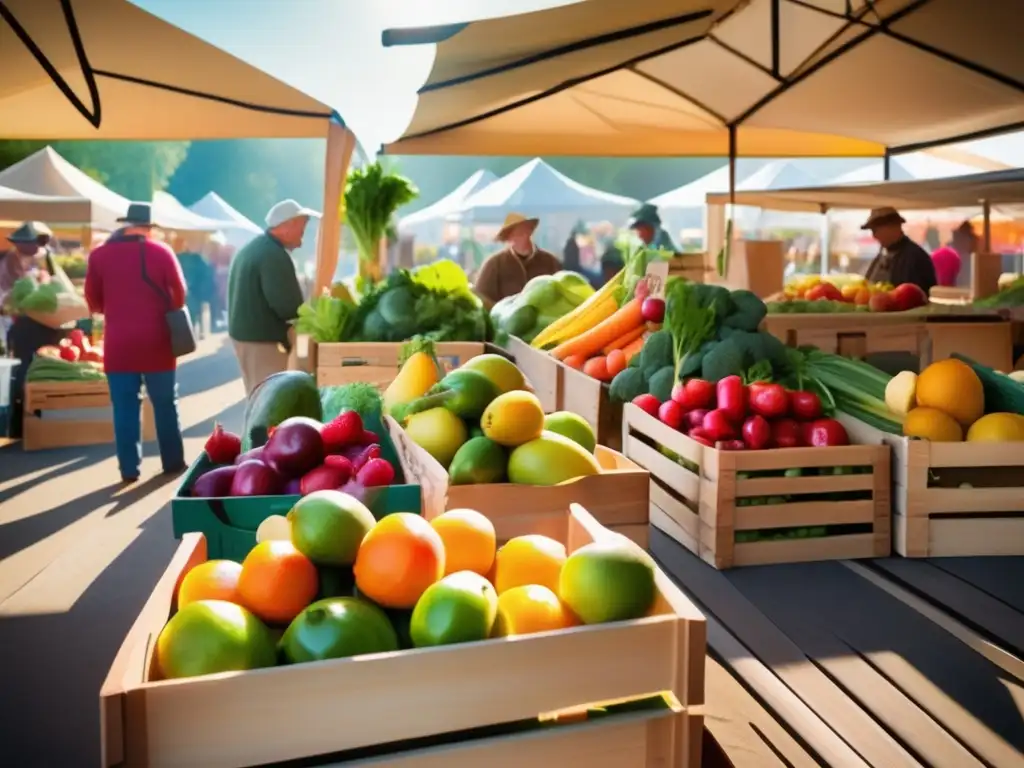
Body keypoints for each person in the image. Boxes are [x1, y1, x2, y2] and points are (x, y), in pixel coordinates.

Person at [84, 203, 188, 482]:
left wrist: (118, 310)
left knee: (125, 406)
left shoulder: (100, 255)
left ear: (126, 225)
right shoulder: (161, 252)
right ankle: (173, 462)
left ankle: (129, 469)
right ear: (148, 228)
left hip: (118, 344)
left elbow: (93, 300)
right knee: (165, 403)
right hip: (158, 342)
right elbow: (179, 295)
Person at [228, 199, 316, 394]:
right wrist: (310, 318)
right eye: (301, 228)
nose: (302, 240)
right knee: (269, 400)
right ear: (288, 225)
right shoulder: (273, 255)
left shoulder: (258, 248)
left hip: (249, 338)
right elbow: (288, 307)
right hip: (261, 342)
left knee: (258, 394)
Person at [0, 221, 63, 439]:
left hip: (43, 324)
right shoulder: (10, 261)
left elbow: (54, 283)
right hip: (21, 325)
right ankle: (20, 424)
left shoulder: (44, 258)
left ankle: (41, 418)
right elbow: (6, 297)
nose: (36, 247)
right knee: (24, 372)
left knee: (40, 370)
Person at [474, 212, 560, 307]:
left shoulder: (550, 261)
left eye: (524, 231)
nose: (521, 236)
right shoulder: (494, 263)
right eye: (515, 234)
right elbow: (481, 296)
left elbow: (563, 292)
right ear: (508, 238)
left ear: (530, 232)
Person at [862, 207, 937, 294]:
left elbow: (919, 297)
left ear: (892, 226)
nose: (874, 236)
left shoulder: (916, 257)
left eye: (875, 230)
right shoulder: (883, 253)